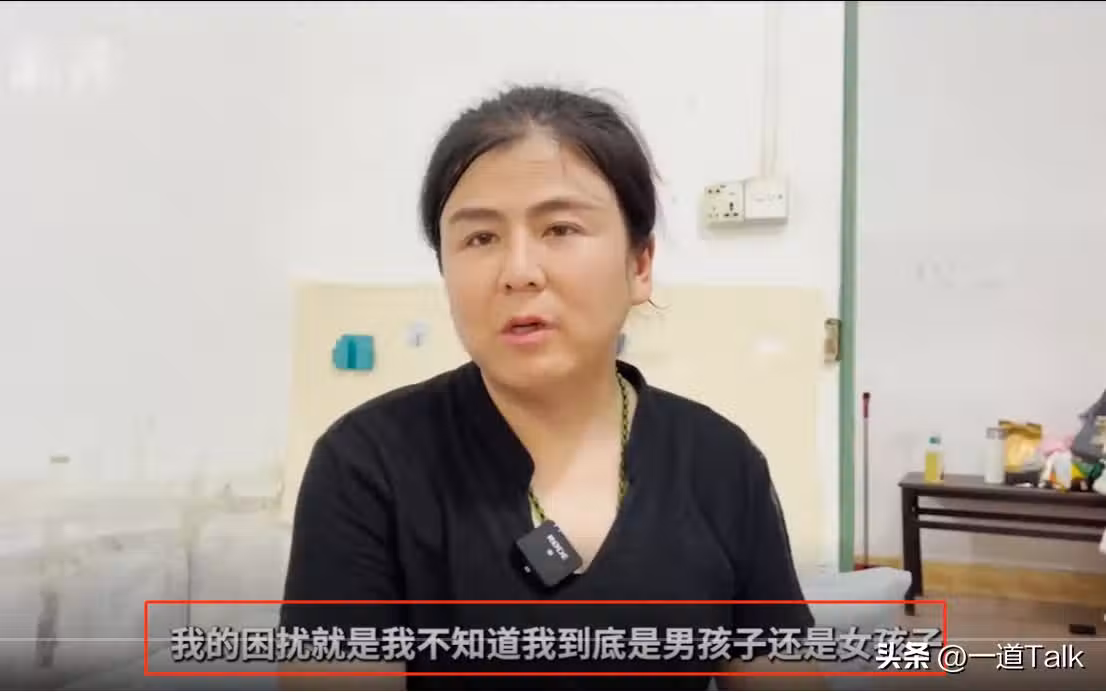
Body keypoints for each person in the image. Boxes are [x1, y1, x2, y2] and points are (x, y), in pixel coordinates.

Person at [279, 84, 816, 690]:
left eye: (560, 228)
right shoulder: (367, 466)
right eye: (480, 238)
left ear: (639, 264)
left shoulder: (720, 464)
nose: (518, 272)